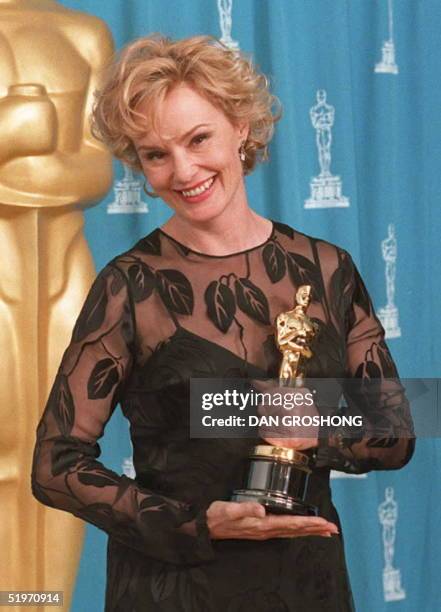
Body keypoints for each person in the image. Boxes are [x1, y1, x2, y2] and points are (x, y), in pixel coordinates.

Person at [31, 34, 414, 611]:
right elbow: (55, 466)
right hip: (174, 588)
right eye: (156, 154)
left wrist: (317, 428)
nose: (183, 171)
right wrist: (194, 524)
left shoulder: (328, 268)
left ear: (241, 126)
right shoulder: (129, 286)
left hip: (306, 584)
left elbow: (396, 435)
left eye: (198, 138)